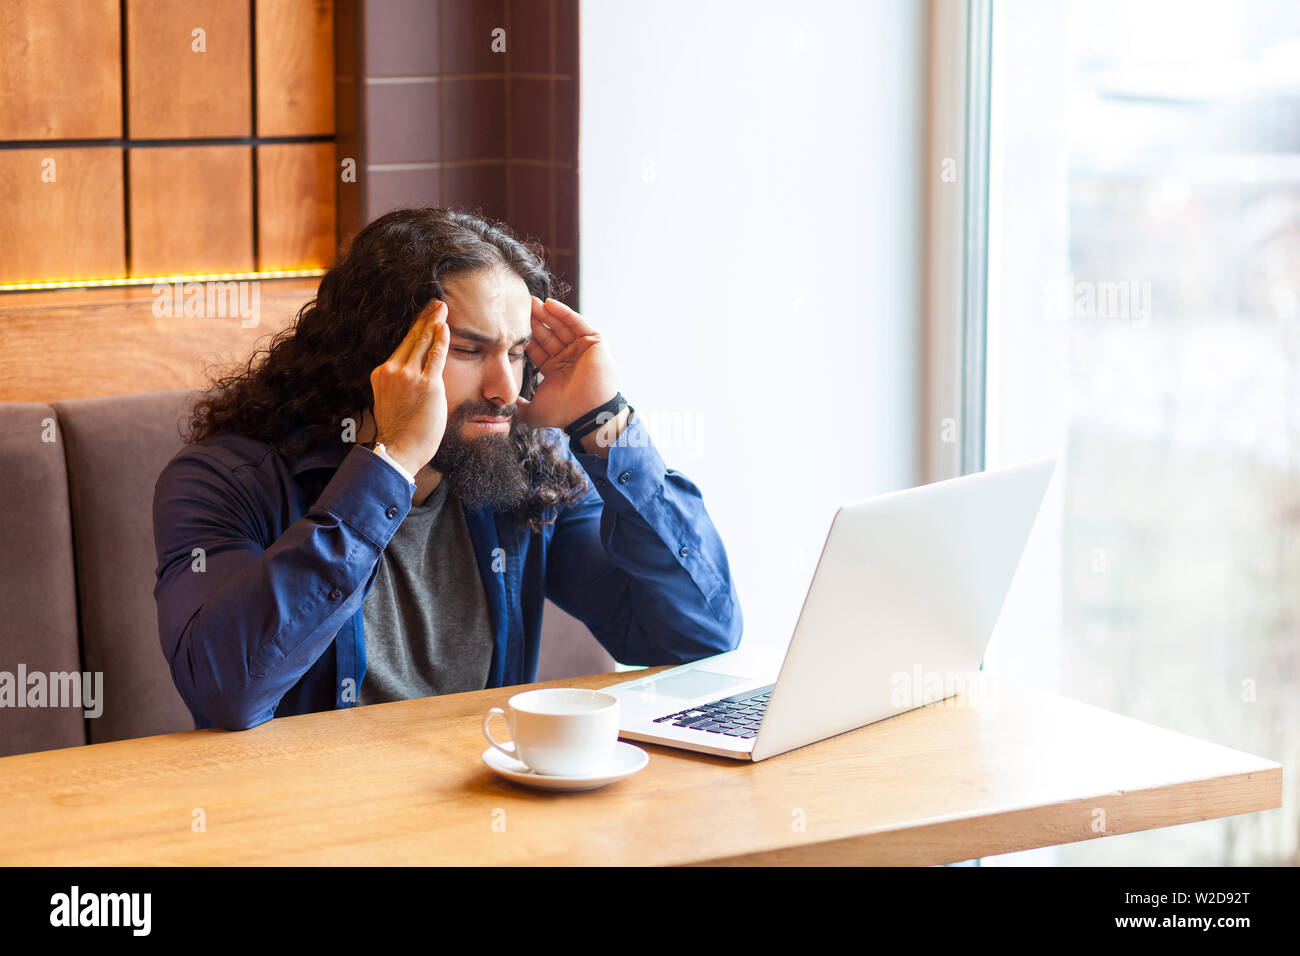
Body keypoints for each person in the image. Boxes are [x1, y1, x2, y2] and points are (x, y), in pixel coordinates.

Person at [151, 207, 743, 731]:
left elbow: (697, 640)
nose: (504, 388)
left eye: (515, 352)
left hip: (484, 819)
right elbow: (228, 693)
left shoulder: (523, 471)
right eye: (468, 350)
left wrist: (607, 424)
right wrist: (392, 461)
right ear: (378, 353)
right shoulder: (226, 480)